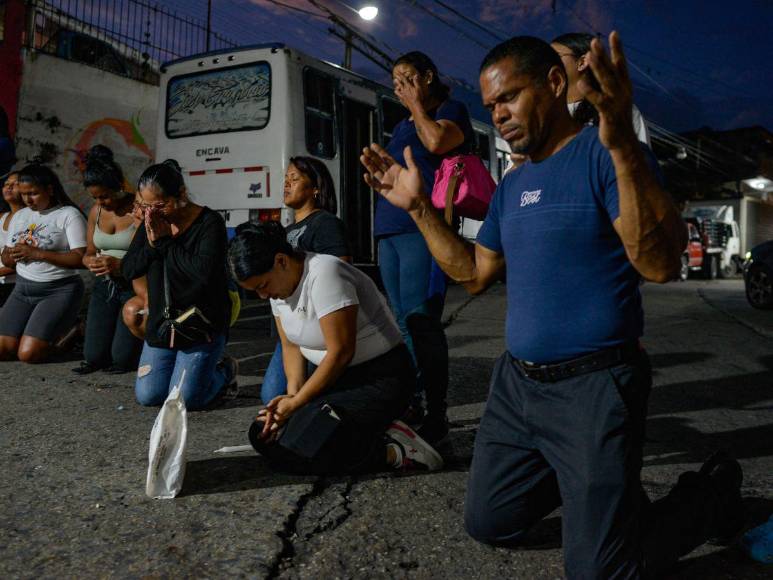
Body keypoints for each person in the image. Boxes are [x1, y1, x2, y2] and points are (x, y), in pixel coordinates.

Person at [361, 34, 743, 578]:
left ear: (555, 84)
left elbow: (657, 263)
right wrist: (420, 207)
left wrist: (621, 146)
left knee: (599, 571)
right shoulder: (515, 183)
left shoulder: (604, 153)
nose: (500, 115)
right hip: (518, 389)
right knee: (489, 521)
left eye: (509, 98)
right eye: (491, 106)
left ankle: (708, 497)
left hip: (594, 388)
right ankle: (600, 498)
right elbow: (473, 273)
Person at [228, 221, 443, 474]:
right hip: (331, 381)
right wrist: (293, 396)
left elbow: (341, 352)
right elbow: (290, 346)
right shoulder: (279, 289)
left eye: (263, 286)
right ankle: (372, 431)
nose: (264, 296)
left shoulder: (325, 273)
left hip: (378, 377)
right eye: (255, 292)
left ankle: (395, 452)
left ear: (281, 261)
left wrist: (298, 403)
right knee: (262, 435)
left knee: (294, 454)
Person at [374, 51, 474, 443]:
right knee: (401, 323)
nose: (399, 87)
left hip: (425, 227)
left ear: (428, 77)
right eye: (395, 80)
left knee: (423, 321)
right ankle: (410, 403)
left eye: (407, 78)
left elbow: (437, 142)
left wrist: (417, 106)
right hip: (390, 228)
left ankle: (437, 412)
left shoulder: (452, 109)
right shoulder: (402, 124)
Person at [122, 160, 237, 410]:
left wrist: (165, 243)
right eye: (146, 206)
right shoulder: (151, 223)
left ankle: (223, 370)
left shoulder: (210, 223)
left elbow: (201, 275)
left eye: (160, 205)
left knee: (184, 401)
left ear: (181, 194)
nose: (153, 212)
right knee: (150, 396)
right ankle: (188, 370)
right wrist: (151, 245)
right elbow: (129, 269)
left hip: (200, 325)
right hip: (163, 325)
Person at [261, 156, 351, 404]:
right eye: (286, 179)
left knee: (313, 395)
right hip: (291, 328)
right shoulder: (286, 232)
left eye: (295, 179)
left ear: (315, 188)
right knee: (271, 395)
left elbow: (340, 270)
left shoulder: (326, 223)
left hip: (319, 326)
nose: (287, 184)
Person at [0, 164, 87, 363]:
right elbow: (7, 258)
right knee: (3, 350)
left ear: (49, 189)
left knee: (28, 355)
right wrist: (11, 255)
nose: (28, 200)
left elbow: (80, 259)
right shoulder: (21, 216)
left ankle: (72, 332)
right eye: (23, 194)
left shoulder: (68, 215)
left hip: (58, 290)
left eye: (33, 193)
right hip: (22, 290)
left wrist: (38, 253)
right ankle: (31, 334)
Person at [72, 145, 143, 375]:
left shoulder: (138, 210)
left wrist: (122, 265)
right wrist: (90, 262)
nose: (101, 202)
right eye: (95, 197)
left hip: (134, 284)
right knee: (93, 357)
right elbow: (88, 252)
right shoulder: (96, 212)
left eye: (105, 196)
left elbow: (151, 255)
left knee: (121, 359)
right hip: (105, 284)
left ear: (119, 186)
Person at [552, 32, 651, 146]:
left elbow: (640, 160)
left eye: (554, 57)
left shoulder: (616, 109)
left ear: (582, 62)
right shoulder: (546, 113)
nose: (547, 65)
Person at [0, 171, 23, 305]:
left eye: (15, 184)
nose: (9, 187)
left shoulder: (31, 218)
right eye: (6, 184)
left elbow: (22, 261)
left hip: (16, 284)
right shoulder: (1, 218)